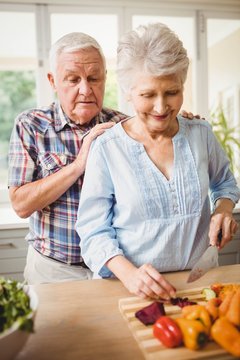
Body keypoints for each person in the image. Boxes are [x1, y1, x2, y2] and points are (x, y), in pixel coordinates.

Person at [8, 31, 202, 285]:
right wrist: (79, 165)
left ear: (105, 78)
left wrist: (180, 122)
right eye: (73, 79)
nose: (85, 89)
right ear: (52, 81)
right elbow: (20, 204)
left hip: (117, 270)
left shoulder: (124, 124)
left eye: (94, 78)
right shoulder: (31, 125)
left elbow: (164, 130)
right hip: (54, 269)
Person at [76, 23, 240, 300]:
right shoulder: (107, 148)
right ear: (128, 92)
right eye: (148, 95)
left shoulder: (200, 134)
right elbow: (93, 231)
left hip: (199, 286)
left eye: (172, 92)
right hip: (131, 290)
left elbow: (225, 183)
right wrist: (129, 275)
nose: (162, 107)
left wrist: (222, 210)